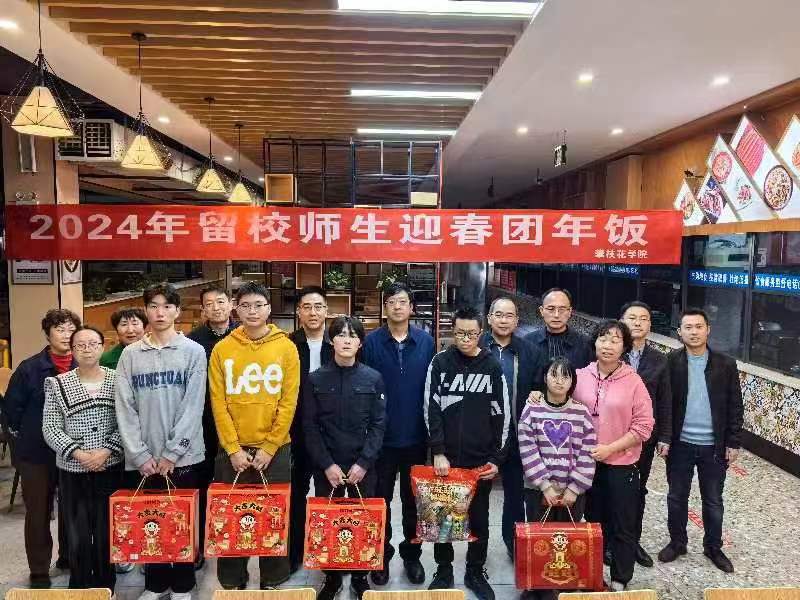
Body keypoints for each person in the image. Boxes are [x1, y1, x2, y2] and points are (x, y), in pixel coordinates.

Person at [115, 283, 207, 600]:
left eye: (167, 306)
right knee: (149, 522)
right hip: (144, 460)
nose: (160, 312)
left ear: (177, 311)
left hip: (184, 457)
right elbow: (124, 407)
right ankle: (154, 585)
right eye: (153, 306)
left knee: (181, 522)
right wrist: (139, 454)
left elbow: (193, 406)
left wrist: (172, 453)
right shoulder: (130, 355)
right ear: (146, 311)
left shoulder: (193, 351)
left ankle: (183, 586)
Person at [208, 281, 300, 590]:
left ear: (269, 308)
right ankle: (232, 580)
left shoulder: (286, 347)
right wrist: (232, 448)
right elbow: (218, 403)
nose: (252, 311)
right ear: (236, 309)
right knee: (232, 516)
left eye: (258, 305)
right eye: (245, 305)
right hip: (232, 450)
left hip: (275, 450)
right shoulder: (223, 349)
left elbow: (288, 402)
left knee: (274, 516)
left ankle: (273, 579)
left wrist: (270, 446)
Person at [423, 306, 510, 600]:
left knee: (480, 519)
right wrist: (438, 451)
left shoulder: (492, 367)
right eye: (460, 333)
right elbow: (431, 409)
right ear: (452, 331)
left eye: (471, 334)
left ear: (481, 333)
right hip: (445, 459)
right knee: (442, 517)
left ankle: (475, 570)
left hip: (479, 460)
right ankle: (443, 570)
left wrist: (496, 458)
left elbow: (502, 414)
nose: (465, 339)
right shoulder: (440, 362)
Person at [304, 316, 386, 600]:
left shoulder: (373, 378)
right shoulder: (315, 379)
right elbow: (309, 426)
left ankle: (361, 575)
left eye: (353, 335)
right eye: (341, 335)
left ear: (360, 342)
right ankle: (332, 576)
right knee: (329, 521)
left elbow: (378, 425)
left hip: (363, 465)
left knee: (363, 520)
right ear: (332, 340)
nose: (347, 340)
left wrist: (364, 463)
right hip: (328, 466)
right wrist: (327, 465)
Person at [658, 308, 743, 574]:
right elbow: (665, 403)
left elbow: (735, 406)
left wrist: (733, 441)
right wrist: (664, 437)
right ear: (679, 332)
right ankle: (677, 543)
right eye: (688, 327)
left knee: (713, 500)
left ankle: (713, 547)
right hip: (680, 444)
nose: (693, 332)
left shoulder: (725, 364)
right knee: (676, 496)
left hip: (714, 447)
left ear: (708, 330)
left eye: (698, 326)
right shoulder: (670, 362)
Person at [572, 320, 654, 592]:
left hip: (622, 464)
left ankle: (620, 578)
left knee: (623, 525)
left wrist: (611, 448)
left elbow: (644, 426)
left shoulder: (634, 382)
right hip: (585, 465)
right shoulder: (580, 376)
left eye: (615, 340)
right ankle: (592, 576)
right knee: (592, 524)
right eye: (603, 339)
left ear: (625, 347)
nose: (608, 345)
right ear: (595, 342)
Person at [363, 282, 435, 586]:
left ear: (411, 308)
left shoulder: (426, 342)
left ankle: (412, 556)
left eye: (402, 301)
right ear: (385, 307)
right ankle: (380, 556)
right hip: (380, 439)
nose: (396, 306)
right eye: (391, 301)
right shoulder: (370, 343)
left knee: (413, 502)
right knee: (379, 501)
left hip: (416, 437)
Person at [42, 326, 123, 590]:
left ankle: (106, 587)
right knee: (76, 532)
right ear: (73, 350)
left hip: (110, 466)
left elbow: (128, 422)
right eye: (80, 345)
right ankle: (79, 587)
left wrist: (106, 450)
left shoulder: (118, 380)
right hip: (72, 470)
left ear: (102, 347)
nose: (87, 350)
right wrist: (79, 454)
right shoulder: (57, 384)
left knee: (106, 530)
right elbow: (50, 427)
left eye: (93, 344)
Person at [5, 308, 80, 588]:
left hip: (74, 452)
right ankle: (38, 569)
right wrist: (22, 445)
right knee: (38, 512)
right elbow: (11, 411)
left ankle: (69, 557)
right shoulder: (29, 368)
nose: (66, 335)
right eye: (59, 329)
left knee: (73, 508)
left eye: (71, 329)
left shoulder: (83, 365)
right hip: (36, 453)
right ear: (47, 334)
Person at [518, 357, 596, 600]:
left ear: (573, 381)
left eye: (566, 376)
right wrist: (544, 485)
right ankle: (535, 586)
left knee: (566, 539)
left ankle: (564, 585)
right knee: (539, 538)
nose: (559, 381)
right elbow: (527, 448)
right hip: (538, 490)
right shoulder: (531, 410)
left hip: (572, 492)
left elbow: (588, 451)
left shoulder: (581, 412)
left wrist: (574, 488)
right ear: (545, 377)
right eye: (554, 375)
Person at [480, 296, 539, 559]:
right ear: (489, 318)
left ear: (517, 321)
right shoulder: (477, 347)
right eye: (499, 315)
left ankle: (513, 544)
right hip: (481, 437)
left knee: (515, 495)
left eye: (509, 315)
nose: (504, 320)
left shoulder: (530, 352)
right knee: (479, 497)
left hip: (516, 435)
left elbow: (538, 386)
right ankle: (478, 550)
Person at [620, 301, 672, 568]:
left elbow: (665, 401)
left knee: (638, 490)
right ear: (622, 321)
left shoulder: (660, 360)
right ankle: (608, 542)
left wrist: (665, 436)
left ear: (650, 325)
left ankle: (632, 542)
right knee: (609, 490)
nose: (637, 323)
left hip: (644, 439)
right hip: (612, 436)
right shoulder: (610, 352)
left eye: (643, 318)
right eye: (632, 318)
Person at [189, 284, 236, 570]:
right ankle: (200, 542)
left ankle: (232, 539)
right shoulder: (193, 342)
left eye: (221, 302)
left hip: (237, 421)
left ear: (231, 304)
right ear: (203, 309)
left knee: (232, 484)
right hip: (204, 421)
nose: (216, 308)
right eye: (210, 304)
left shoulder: (244, 335)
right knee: (203, 481)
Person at [99, 307, 148, 575]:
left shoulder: (152, 352)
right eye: (124, 325)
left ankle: (152, 550)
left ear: (145, 325)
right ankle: (126, 549)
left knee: (149, 498)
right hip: (117, 437)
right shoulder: (107, 359)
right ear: (116, 330)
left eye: (135, 323)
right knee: (124, 497)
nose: (130, 329)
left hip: (148, 437)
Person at [288, 285, 333, 574]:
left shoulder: (338, 342)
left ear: (326, 311)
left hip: (330, 434)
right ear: (299, 312)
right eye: (307, 307)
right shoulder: (288, 345)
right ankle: (295, 553)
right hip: (296, 432)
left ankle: (328, 550)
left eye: (318, 306)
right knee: (296, 494)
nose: (313, 312)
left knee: (328, 494)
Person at [525, 288, 593, 389]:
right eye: (551, 309)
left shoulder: (585, 344)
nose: (556, 315)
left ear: (569, 312)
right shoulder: (527, 342)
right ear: (541, 311)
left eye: (562, 309)